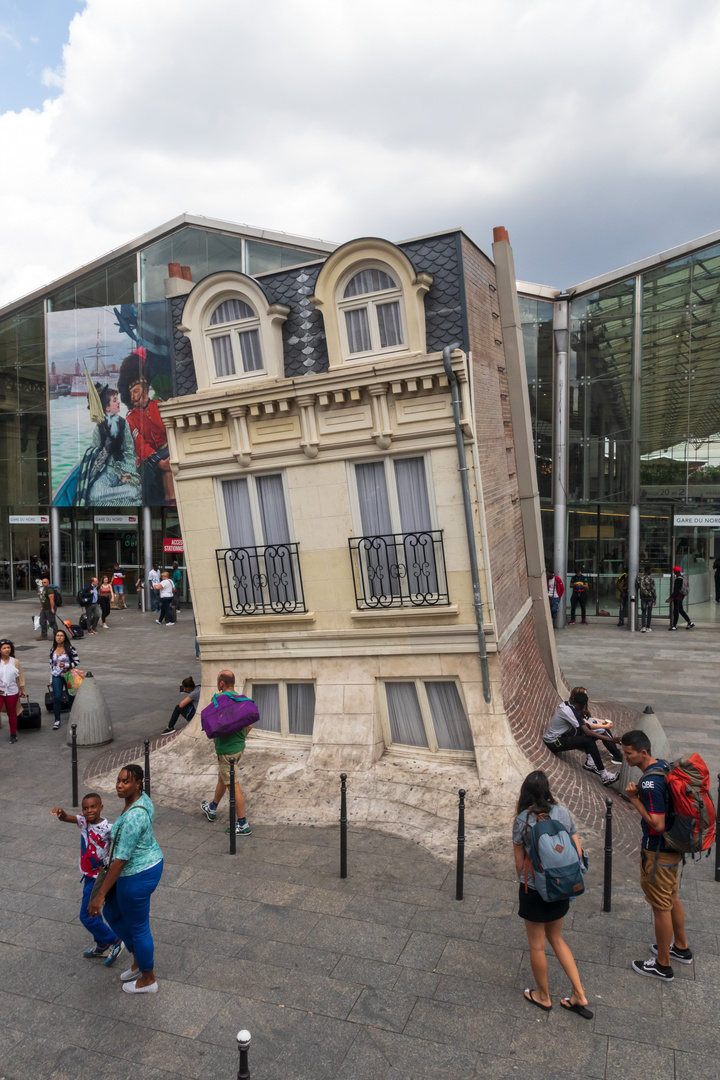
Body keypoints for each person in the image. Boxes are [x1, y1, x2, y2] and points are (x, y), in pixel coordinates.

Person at [512, 770, 592, 1017]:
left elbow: (519, 864)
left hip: (535, 890)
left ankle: (543, 996)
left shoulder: (523, 820)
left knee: (537, 946)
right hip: (561, 887)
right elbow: (577, 853)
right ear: (548, 789)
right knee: (556, 938)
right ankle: (579, 993)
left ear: (524, 792)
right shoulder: (563, 814)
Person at [621, 730, 692, 981]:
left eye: (628, 753)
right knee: (671, 897)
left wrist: (634, 800)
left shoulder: (649, 783)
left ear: (643, 752)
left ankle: (662, 964)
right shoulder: (662, 765)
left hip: (658, 849)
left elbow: (657, 823)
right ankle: (680, 948)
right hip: (673, 848)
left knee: (660, 907)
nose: (624, 756)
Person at [87, 764, 163, 994]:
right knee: (112, 913)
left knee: (139, 927)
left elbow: (120, 859)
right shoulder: (140, 799)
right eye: (118, 780)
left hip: (138, 873)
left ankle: (148, 979)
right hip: (140, 866)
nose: (119, 785)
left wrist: (99, 895)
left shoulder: (134, 817)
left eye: (125, 781)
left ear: (138, 783)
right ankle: (139, 960)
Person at [51, 794, 123, 965]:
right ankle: (102, 943)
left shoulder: (108, 828)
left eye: (93, 807)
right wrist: (61, 814)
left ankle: (115, 941)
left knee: (86, 916)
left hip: (99, 878)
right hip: (88, 876)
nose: (89, 811)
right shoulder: (83, 822)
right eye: (85, 808)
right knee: (93, 913)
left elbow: (122, 843)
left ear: (101, 807)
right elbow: (67, 818)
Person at [118, 352, 174, 505]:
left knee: (170, 469)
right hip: (148, 458)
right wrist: (158, 461)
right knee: (147, 475)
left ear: (146, 390)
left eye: (136, 391)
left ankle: (172, 503)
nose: (133, 395)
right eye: (131, 393)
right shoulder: (131, 418)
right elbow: (140, 444)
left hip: (168, 450)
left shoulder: (159, 406)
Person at [201, 670, 252, 835]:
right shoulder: (240, 699)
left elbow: (211, 718)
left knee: (233, 785)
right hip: (239, 748)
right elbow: (249, 725)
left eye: (218, 681)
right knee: (223, 778)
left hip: (225, 751)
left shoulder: (218, 699)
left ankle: (242, 824)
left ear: (222, 683)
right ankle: (212, 807)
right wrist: (239, 739)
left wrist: (215, 696)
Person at [74, 383, 141, 507]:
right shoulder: (99, 428)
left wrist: (126, 475)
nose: (118, 403)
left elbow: (130, 451)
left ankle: (112, 499)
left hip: (123, 470)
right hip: (106, 471)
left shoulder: (123, 424)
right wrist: (105, 449)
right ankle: (118, 499)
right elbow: (92, 452)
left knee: (134, 491)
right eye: (115, 400)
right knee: (94, 494)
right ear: (107, 407)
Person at [543, 687, 619, 784]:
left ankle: (591, 762)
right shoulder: (570, 712)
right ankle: (604, 775)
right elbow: (588, 732)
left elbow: (585, 727)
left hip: (561, 736)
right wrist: (612, 739)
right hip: (554, 742)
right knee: (588, 740)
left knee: (587, 733)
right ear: (583, 705)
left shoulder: (568, 705)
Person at [49, 628, 79, 730]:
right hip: (56, 676)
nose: (59, 638)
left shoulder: (70, 649)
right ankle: (57, 720)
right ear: (55, 638)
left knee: (71, 695)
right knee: (57, 697)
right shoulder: (52, 650)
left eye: (61, 636)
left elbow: (77, 661)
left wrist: (66, 665)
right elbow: (51, 665)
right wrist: (50, 678)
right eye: (57, 636)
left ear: (65, 637)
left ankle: (72, 712)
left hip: (68, 675)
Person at [0, 639, 27, 744]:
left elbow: (20, 676)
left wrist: (22, 689)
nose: (7, 650)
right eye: (4, 648)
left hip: (12, 691)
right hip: (0, 692)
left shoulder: (15, 662)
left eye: (8, 648)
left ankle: (13, 734)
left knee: (12, 713)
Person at [667, 566, 694, 630]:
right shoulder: (682, 578)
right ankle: (690, 622)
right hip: (681, 596)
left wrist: (671, 597)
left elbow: (676, 590)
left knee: (676, 611)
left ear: (675, 572)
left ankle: (674, 626)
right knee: (681, 610)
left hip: (678, 597)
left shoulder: (678, 580)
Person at [636, 565, 656, 633]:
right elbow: (653, 589)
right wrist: (655, 598)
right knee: (649, 612)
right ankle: (648, 627)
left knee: (643, 612)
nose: (651, 571)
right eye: (650, 570)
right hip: (650, 597)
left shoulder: (640, 578)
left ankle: (643, 626)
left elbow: (637, 586)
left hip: (643, 597)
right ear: (648, 570)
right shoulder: (651, 579)